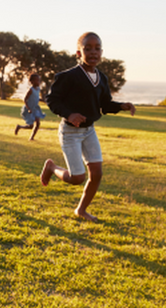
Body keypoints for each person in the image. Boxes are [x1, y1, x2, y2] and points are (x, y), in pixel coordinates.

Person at [40, 32, 135, 222]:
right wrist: (69, 114)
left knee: (97, 174)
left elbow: (105, 105)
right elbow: (52, 99)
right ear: (78, 52)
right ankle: (51, 167)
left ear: (101, 52)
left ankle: (81, 210)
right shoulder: (68, 76)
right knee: (77, 178)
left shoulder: (102, 78)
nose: (93, 52)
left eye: (97, 48)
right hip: (70, 132)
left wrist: (121, 106)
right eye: (88, 48)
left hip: (89, 131)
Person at [15, 73, 46, 140]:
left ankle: (32, 137)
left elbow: (36, 98)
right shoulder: (31, 90)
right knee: (31, 126)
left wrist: (42, 100)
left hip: (36, 108)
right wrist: (28, 108)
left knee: (38, 123)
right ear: (32, 82)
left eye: (39, 80)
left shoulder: (38, 89)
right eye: (37, 80)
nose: (39, 82)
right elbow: (25, 99)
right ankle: (19, 127)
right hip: (29, 109)